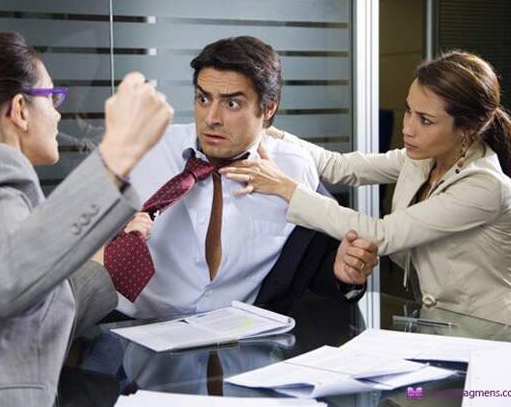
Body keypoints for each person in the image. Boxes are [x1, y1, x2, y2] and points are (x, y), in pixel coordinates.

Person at [0, 32, 172, 406]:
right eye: (53, 98)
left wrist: (98, 264)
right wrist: (118, 153)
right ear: (19, 109)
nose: (59, 113)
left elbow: (3, 322)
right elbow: (5, 282)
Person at [222, 51, 511, 329]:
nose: (408, 128)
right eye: (409, 111)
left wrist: (286, 188)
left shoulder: (486, 186)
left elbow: (380, 234)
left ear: (467, 128)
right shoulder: (422, 159)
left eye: (425, 120)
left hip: (496, 334)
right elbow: (339, 166)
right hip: (442, 326)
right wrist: (264, 130)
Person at [115, 36, 378, 319]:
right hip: (133, 328)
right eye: (203, 99)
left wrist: (343, 272)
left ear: (268, 109)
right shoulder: (146, 150)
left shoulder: (293, 169)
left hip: (240, 336)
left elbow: (319, 263)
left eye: (232, 104)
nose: (211, 118)